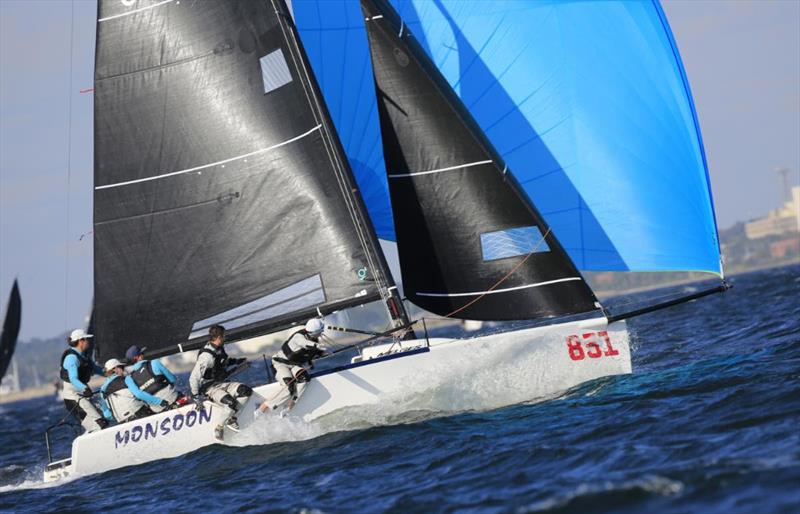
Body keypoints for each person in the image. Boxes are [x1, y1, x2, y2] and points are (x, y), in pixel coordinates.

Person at [189, 324, 251, 438]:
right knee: (231, 402)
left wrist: (238, 362)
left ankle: (232, 418)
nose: (225, 338)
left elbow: (223, 362)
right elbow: (193, 378)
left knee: (245, 391)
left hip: (223, 383)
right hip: (210, 388)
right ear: (218, 338)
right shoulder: (206, 356)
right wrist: (196, 397)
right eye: (224, 336)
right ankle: (219, 426)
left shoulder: (218, 349)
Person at [259, 318, 327, 415]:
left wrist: (322, 352)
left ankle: (288, 408)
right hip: (280, 363)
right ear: (314, 332)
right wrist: (316, 346)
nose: (321, 334)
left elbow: (316, 352)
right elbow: (304, 344)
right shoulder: (299, 337)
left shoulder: (314, 339)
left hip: (294, 365)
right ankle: (262, 408)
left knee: (304, 378)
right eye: (320, 331)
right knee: (289, 388)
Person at [59, 329, 108, 433]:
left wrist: (111, 373)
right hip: (73, 397)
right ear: (81, 341)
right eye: (87, 339)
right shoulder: (71, 358)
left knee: (105, 418)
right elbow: (73, 379)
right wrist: (84, 388)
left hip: (84, 394)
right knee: (99, 424)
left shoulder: (84, 356)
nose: (89, 342)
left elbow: (96, 369)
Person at [125, 345, 183, 413]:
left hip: (157, 409)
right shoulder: (154, 363)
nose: (144, 355)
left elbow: (139, 395)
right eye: (142, 353)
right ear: (138, 357)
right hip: (173, 399)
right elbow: (173, 379)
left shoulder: (129, 379)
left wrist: (158, 401)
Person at [99, 359, 152, 423]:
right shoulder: (126, 379)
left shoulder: (102, 390)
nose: (123, 370)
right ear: (115, 369)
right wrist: (159, 401)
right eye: (122, 367)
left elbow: (107, 415)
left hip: (122, 421)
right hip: (139, 413)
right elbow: (139, 395)